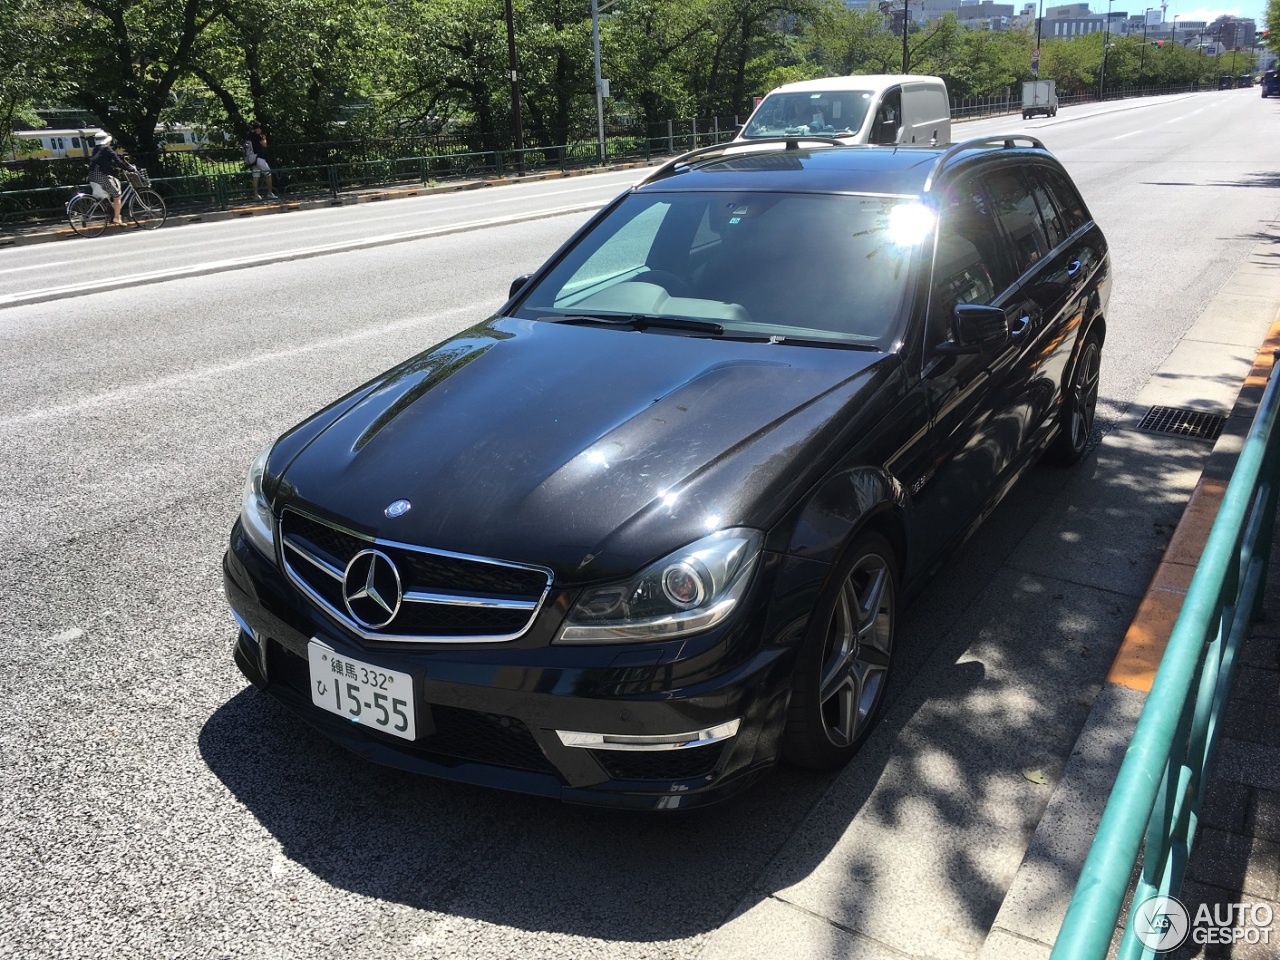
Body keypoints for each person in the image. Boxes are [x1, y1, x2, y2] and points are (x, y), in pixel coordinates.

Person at [87, 131, 136, 226]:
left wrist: (113, 168)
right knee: (117, 196)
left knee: (108, 195)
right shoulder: (106, 149)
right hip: (101, 175)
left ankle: (111, 214)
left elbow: (103, 162)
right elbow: (118, 161)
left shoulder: (96, 149)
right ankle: (117, 218)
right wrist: (129, 168)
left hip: (93, 175)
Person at [245, 121, 277, 200]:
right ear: (259, 128)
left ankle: (256, 195)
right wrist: (264, 138)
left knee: (255, 177)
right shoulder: (257, 135)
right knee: (268, 174)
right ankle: (269, 193)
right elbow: (264, 144)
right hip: (259, 158)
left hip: (252, 159)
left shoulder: (249, 135)